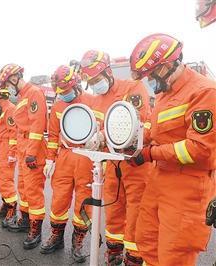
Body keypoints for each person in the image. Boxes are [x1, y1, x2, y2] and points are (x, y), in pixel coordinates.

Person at [129, 33, 216, 266]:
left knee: (174, 255)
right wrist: (132, 140)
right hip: (160, 180)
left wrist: (149, 154)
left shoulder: (204, 92)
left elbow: (198, 149)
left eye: (150, 75)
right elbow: (156, 131)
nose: (149, 81)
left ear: (167, 66)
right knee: (146, 241)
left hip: (188, 188)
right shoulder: (164, 94)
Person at [80, 50, 152, 265]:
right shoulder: (96, 100)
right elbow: (96, 128)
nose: (95, 85)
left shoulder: (132, 88)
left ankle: (133, 259)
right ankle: (113, 255)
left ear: (108, 72)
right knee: (113, 215)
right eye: (91, 82)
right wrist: (94, 137)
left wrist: (106, 136)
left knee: (136, 217)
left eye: (97, 79)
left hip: (135, 165)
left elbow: (145, 127)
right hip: (111, 165)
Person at [40, 65, 95, 262]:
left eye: (65, 91)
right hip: (64, 156)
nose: (62, 95)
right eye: (59, 92)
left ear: (75, 85)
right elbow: (53, 135)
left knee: (84, 202)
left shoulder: (91, 101)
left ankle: (78, 241)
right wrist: (49, 159)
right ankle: (57, 237)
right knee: (59, 199)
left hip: (86, 156)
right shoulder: (57, 106)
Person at [0, 63, 47, 249]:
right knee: (24, 188)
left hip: (32, 149)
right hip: (23, 147)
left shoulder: (33, 93)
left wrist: (32, 153)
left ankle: (36, 229)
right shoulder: (23, 96)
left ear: (15, 78)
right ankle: (25, 220)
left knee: (33, 191)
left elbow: (37, 125)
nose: (6, 88)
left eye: (7, 84)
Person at [0, 84, 18, 227]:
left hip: (6, 149)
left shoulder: (10, 109)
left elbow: (14, 133)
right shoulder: (2, 109)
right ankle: (6, 204)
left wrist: (12, 153)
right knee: (1, 177)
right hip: (0, 147)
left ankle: (12, 209)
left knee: (6, 179)